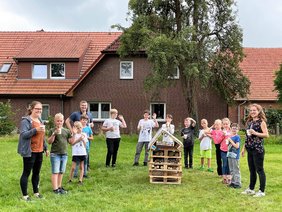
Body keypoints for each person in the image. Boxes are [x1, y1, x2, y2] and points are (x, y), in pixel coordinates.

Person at [18, 101, 49, 201]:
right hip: (29, 151)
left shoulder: (40, 120)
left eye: (40, 109)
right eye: (37, 109)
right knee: (26, 173)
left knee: (36, 173)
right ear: (31, 109)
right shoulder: (25, 121)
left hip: (39, 151)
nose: (39, 111)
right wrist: (36, 130)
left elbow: (42, 136)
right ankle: (25, 195)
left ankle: (36, 193)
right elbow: (23, 135)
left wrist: (46, 148)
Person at [241, 104, 269, 197]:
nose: (252, 112)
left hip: (258, 150)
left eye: (254, 110)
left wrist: (256, 133)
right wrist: (243, 148)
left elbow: (266, 135)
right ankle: (251, 189)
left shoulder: (262, 122)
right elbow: (247, 137)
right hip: (250, 149)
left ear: (259, 111)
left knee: (259, 170)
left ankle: (261, 191)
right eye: (251, 110)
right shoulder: (249, 122)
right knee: (252, 170)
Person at [65, 100, 94, 173]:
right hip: (77, 137)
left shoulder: (89, 114)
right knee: (77, 151)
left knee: (86, 150)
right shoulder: (75, 114)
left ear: (87, 106)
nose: (84, 107)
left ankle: (86, 167)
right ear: (80, 106)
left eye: (85, 105)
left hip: (86, 136)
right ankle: (76, 169)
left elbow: (91, 123)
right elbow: (67, 121)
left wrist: (91, 126)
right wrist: (71, 130)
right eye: (82, 105)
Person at [47, 113, 72, 194]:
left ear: (63, 121)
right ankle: (55, 189)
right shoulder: (52, 130)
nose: (59, 122)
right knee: (55, 171)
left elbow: (71, 142)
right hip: (55, 154)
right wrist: (54, 133)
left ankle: (59, 187)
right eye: (57, 121)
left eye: (61, 121)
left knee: (61, 171)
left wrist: (74, 133)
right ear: (55, 121)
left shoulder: (66, 131)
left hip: (64, 154)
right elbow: (49, 142)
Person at [226, 123, 241, 189]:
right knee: (231, 169)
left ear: (238, 130)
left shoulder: (237, 137)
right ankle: (233, 182)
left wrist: (230, 140)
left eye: (236, 128)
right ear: (230, 129)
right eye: (233, 128)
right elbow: (228, 146)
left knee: (236, 169)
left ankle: (237, 183)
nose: (234, 130)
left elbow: (237, 146)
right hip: (230, 155)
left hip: (235, 156)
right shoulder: (230, 137)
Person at [220, 118, 231, 184]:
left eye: (227, 124)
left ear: (229, 124)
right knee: (225, 163)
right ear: (222, 125)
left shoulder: (231, 131)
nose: (226, 125)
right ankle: (224, 177)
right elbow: (218, 141)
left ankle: (229, 177)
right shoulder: (221, 132)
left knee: (229, 163)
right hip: (223, 150)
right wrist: (223, 135)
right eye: (224, 124)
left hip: (230, 150)